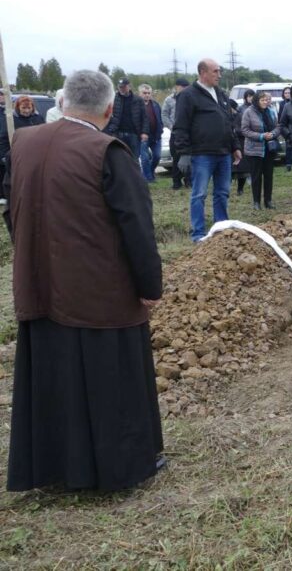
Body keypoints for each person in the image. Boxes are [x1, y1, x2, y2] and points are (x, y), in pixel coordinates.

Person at [6, 69, 163, 492]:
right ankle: (116, 469)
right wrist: (150, 287)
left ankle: (52, 468)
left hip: (38, 281)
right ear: (110, 109)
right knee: (107, 378)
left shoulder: (23, 142)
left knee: (54, 377)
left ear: (62, 101)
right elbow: (136, 227)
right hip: (100, 291)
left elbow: (11, 208)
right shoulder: (108, 151)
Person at [172, 58, 242, 242]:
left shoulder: (220, 93)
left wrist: (235, 146)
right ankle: (199, 234)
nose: (219, 75)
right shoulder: (188, 95)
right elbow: (180, 126)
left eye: (219, 71)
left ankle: (221, 229)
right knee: (199, 194)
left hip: (224, 153)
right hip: (201, 154)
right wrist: (184, 154)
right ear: (203, 73)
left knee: (222, 192)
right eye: (215, 71)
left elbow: (228, 122)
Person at [240, 91, 280, 210]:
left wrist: (273, 134)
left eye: (266, 100)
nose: (265, 102)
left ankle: (268, 201)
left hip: (269, 148)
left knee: (269, 175)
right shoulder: (249, 112)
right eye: (262, 100)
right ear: (256, 101)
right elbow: (245, 130)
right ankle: (256, 202)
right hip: (254, 150)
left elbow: (278, 126)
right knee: (256, 176)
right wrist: (261, 136)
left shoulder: (271, 111)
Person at [105, 78, 147, 159]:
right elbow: (107, 115)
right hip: (118, 134)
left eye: (124, 87)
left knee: (134, 159)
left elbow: (145, 117)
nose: (122, 89)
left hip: (134, 134)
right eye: (120, 87)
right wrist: (109, 130)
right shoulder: (113, 99)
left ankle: (134, 172)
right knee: (120, 158)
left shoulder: (138, 100)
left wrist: (144, 132)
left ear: (129, 86)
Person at [162, 77, 190, 189]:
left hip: (188, 133)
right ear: (176, 87)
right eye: (182, 87)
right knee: (176, 158)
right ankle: (176, 182)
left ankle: (189, 181)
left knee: (189, 157)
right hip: (175, 134)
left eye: (186, 88)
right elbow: (164, 114)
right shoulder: (169, 100)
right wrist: (171, 126)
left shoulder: (190, 99)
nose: (184, 89)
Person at [138, 84, 162, 183]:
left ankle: (150, 172)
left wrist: (161, 130)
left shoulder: (156, 105)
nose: (147, 95)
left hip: (156, 135)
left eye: (148, 93)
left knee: (157, 156)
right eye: (144, 93)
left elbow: (159, 118)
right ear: (139, 93)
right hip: (143, 136)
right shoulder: (136, 106)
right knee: (145, 158)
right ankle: (148, 179)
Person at [232, 90, 254, 196]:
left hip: (241, 143)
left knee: (242, 169)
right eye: (249, 96)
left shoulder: (239, 115)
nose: (251, 98)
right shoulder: (242, 110)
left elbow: (242, 129)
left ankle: (240, 188)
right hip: (229, 145)